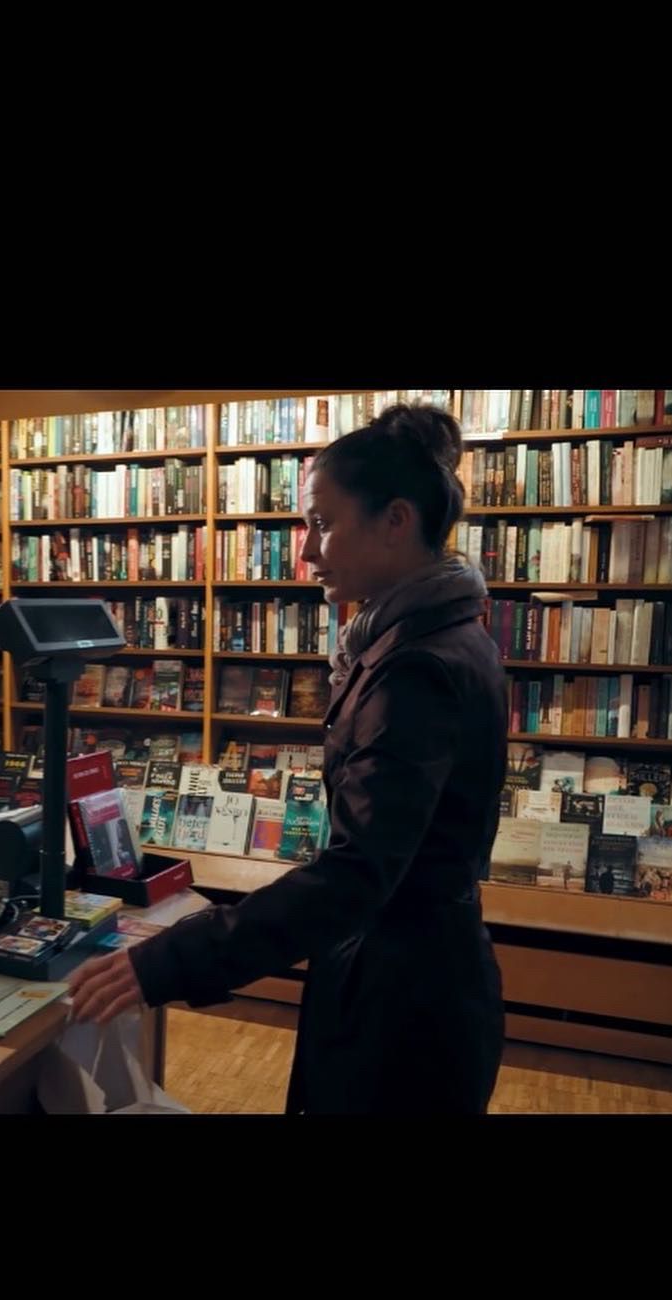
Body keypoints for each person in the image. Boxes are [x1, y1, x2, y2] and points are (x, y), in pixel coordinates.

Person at [68, 403, 509, 1115]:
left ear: (396, 520)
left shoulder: (417, 667)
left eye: (322, 523)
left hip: (402, 1012)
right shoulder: (436, 637)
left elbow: (358, 873)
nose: (305, 551)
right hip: (404, 982)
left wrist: (169, 960)